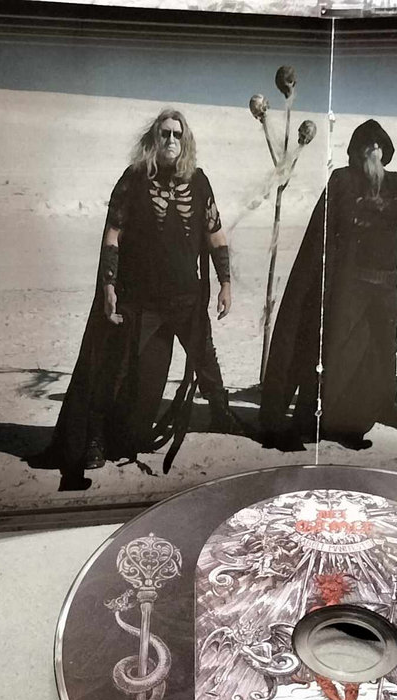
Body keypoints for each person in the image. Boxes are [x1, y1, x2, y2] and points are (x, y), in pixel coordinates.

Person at [30, 109, 243, 489]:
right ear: (153, 139)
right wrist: (108, 286)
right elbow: (113, 235)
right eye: (165, 133)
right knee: (116, 367)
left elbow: (216, 234)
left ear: (186, 141)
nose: (171, 140)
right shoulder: (133, 179)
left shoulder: (199, 182)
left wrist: (225, 282)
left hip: (186, 297)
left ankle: (222, 414)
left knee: (204, 356)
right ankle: (95, 439)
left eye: (177, 134)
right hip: (142, 301)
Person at [260, 119, 397, 452]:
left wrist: (375, 207)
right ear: (356, 151)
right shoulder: (343, 179)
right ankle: (332, 414)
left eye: (378, 146)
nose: (373, 151)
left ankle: (387, 403)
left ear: (385, 151)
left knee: (386, 345)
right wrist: (381, 209)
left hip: (387, 282)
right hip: (352, 283)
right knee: (341, 348)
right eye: (367, 146)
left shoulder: (396, 180)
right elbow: (345, 216)